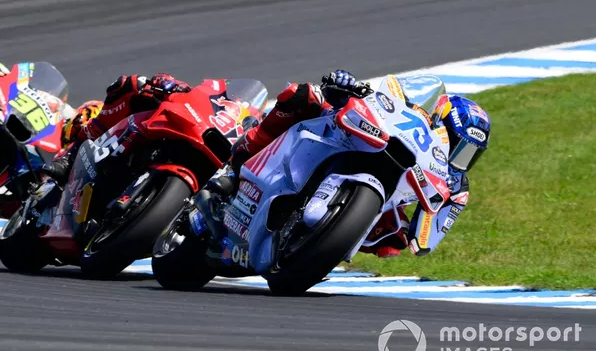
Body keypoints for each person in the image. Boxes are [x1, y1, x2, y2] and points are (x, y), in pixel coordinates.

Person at [206, 71, 491, 259]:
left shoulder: (454, 184)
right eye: (457, 145)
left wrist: (404, 228)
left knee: (393, 241)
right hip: (356, 138)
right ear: (439, 122)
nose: (457, 157)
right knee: (304, 95)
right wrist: (347, 88)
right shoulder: (414, 117)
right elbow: (383, 101)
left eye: (468, 154)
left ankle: (310, 243)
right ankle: (232, 167)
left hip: (385, 198)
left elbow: (423, 241)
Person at [43, 73, 191, 181]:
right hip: (87, 169)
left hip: (142, 154)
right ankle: (70, 159)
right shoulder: (50, 164)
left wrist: (172, 86)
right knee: (128, 85)